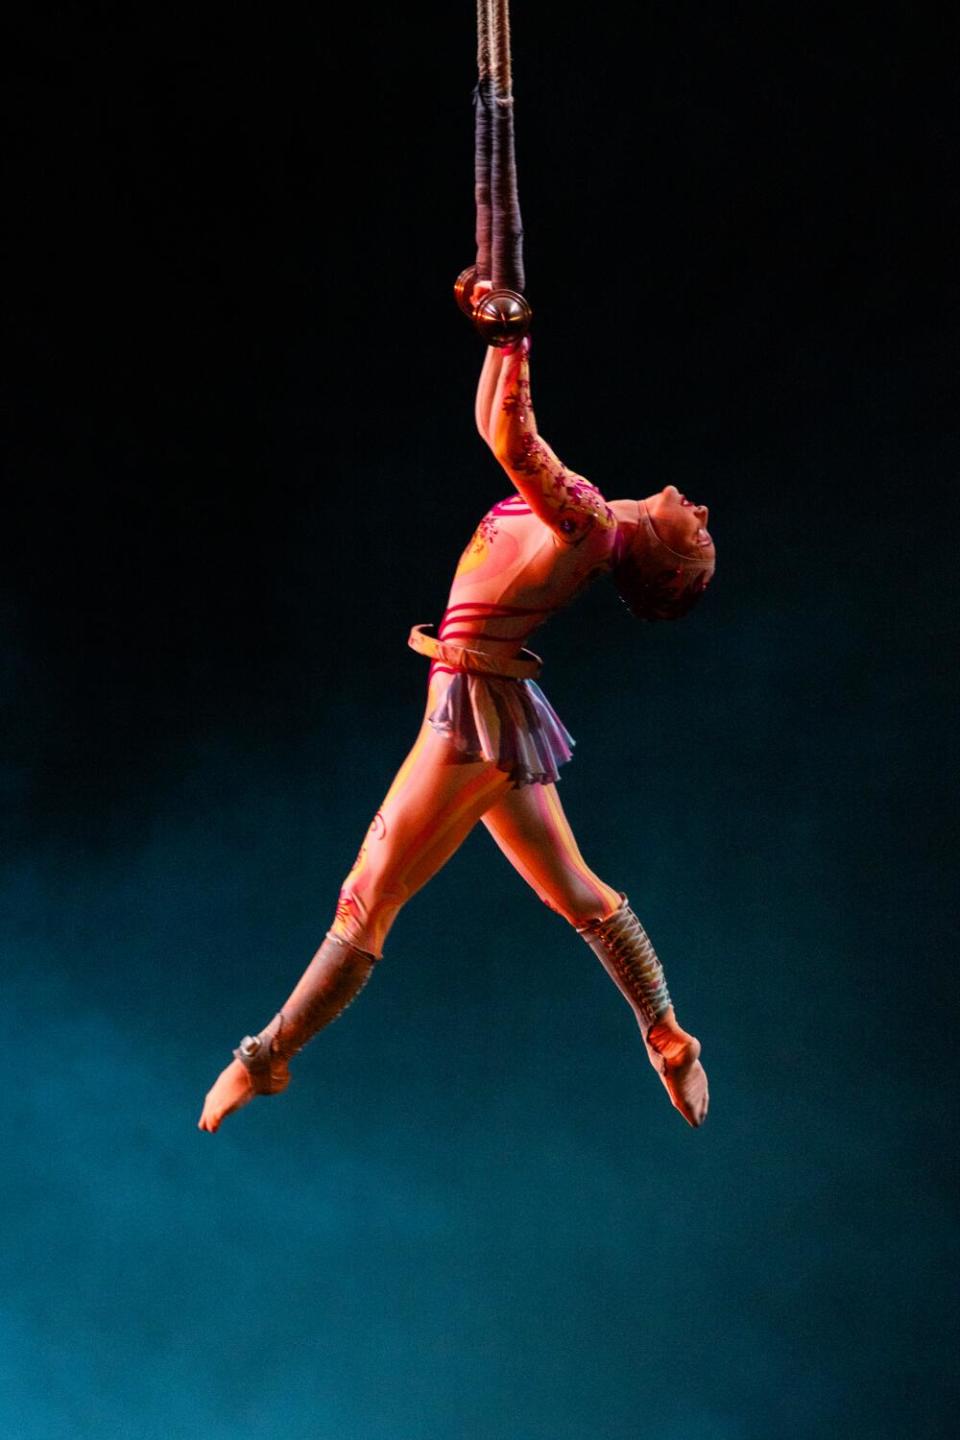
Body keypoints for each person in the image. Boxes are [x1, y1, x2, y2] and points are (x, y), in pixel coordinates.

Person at [198, 338, 715, 1134]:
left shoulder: (586, 523)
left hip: (471, 720)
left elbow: (511, 437)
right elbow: (492, 419)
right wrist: (505, 337)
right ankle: (666, 1035)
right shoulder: (588, 511)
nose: (703, 514)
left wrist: (512, 341)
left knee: (369, 892)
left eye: (698, 541)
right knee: (574, 888)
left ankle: (266, 1058)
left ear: (658, 559)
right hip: (486, 700)